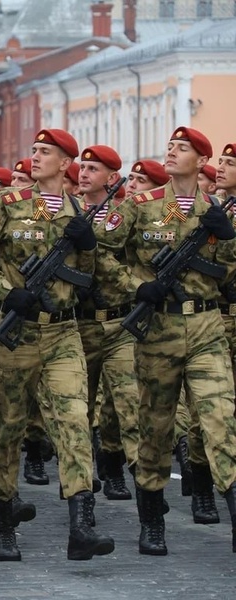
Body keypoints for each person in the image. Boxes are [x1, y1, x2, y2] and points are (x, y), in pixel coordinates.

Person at [0, 128, 114, 562]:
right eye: (33, 150)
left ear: (64, 163)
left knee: (73, 422)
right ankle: (4, 523)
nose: (36, 156)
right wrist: (3, 289)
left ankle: (81, 526)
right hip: (18, 332)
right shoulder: (8, 204)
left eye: (45, 152)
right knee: (8, 429)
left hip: (64, 331)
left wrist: (88, 248)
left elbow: (87, 275)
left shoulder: (77, 212)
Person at [97, 127, 236, 555]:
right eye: (171, 147)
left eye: (184, 149)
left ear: (201, 160)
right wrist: (136, 286)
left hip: (207, 327)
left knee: (222, 421)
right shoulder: (140, 206)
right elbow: (101, 253)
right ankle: (152, 521)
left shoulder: (217, 210)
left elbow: (229, 273)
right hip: (157, 331)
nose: (172, 153)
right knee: (155, 432)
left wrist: (228, 239)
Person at [75, 145, 139, 500]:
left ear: (112, 178)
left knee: (126, 403)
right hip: (77, 326)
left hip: (118, 324)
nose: (84, 174)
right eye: (82, 167)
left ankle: (118, 467)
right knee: (77, 409)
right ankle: (82, 478)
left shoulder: (125, 214)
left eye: (93, 169)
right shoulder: (67, 212)